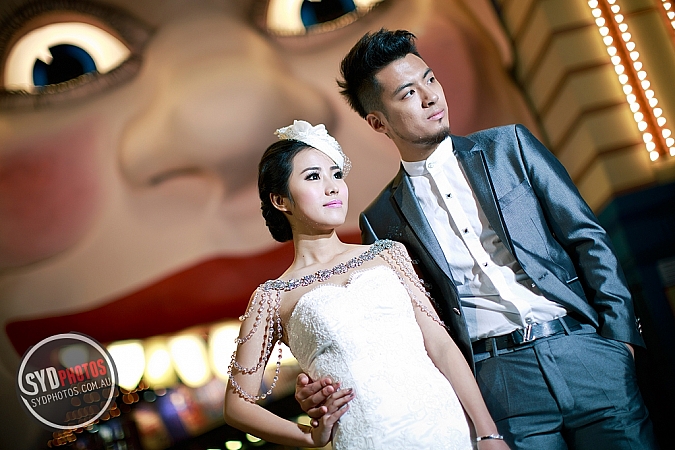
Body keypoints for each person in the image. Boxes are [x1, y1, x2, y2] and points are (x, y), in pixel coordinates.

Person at [295, 29, 658, 449]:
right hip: (500, 383)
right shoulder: (381, 220)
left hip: (584, 350)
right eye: (409, 93)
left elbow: (586, 237)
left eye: (431, 79)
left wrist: (620, 343)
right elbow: (413, 326)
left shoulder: (510, 147)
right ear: (379, 122)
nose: (431, 97)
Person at [224, 120, 509, 450]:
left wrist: (487, 432)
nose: (332, 187)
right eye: (313, 176)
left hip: (448, 429)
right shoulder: (272, 298)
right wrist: (310, 436)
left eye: (336, 174)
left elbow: (441, 345)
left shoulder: (388, 254)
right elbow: (237, 406)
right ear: (280, 200)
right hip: (368, 439)